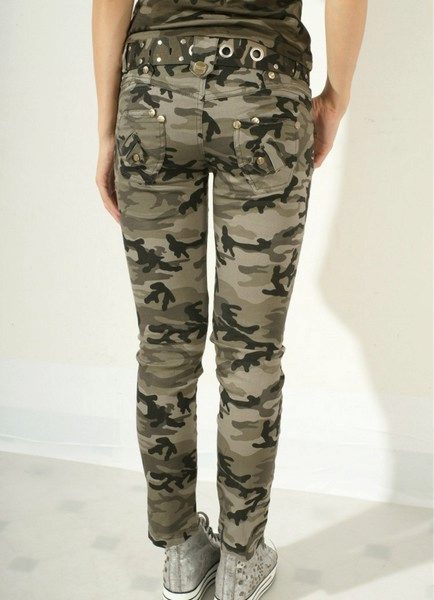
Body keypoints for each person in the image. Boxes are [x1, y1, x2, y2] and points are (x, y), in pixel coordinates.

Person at [92, 1, 367, 598]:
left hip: (152, 93)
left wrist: (108, 126)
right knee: (251, 353)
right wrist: (335, 97)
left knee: (165, 349)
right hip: (266, 91)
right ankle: (242, 558)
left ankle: (182, 551)